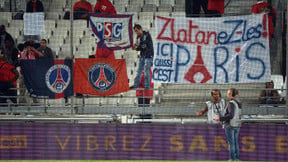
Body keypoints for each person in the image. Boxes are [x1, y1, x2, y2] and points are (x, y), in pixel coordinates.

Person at [215, 88, 242, 161]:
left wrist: (220, 118)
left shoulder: (231, 103)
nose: (227, 94)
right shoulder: (238, 103)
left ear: (231, 94)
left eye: (228, 93)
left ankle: (232, 158)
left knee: (231, 143)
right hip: (237, 124)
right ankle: (237, 158)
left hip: (230, 125)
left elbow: (230, 115)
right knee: (236, 142)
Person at [130, 24, 154, 90]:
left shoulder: (147, 35)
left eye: (137, 31)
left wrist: (137, 47)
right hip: (142, 56)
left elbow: (145, 46)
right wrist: (136, 46)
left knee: (146, 70)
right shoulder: (138, 37)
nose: (136, 32)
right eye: (135, 31)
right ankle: (135, 85)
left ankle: (147, 86)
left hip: (148, 56)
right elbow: (140, 46)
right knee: (139, 71)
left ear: (140, 29)